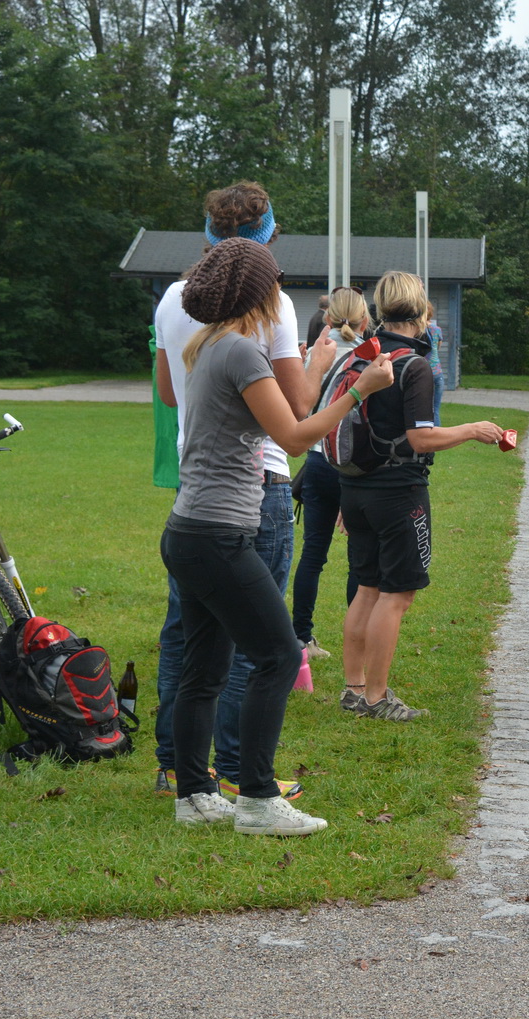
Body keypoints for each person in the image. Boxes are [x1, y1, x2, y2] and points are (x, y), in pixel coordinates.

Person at [165, 238, 395, 834]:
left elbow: (285, 412)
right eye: (277, 282)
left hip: (190, 529)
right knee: (277, 655)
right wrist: (359, 391)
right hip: (218, 535)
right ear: (259, 292)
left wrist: (317, 366)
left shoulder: (208, 344)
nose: (283, 291)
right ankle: (259, 801)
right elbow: (295, 438)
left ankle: (193, 794)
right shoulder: (240, 351)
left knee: (205, 667)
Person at [152, 181, 313, 803]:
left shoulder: (173, 297)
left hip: (192, 488)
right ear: (270, 235)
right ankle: (249, 775)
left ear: (208, 236)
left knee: (188, 638)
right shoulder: (269, 302)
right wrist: (325, 366)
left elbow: (170, 394)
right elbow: (296, 415)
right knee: (261, 643)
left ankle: (181, 771)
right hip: (256, 482)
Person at [340, 271, 505, 722]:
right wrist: (473, 430)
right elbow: (420, 439)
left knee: (367, 587)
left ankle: (353, 689)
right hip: (398, 492)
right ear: (419, 310)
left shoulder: (363, 356)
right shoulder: (414, 365)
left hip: (355, 487)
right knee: (397, 594)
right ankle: (377, 697)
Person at [292, 286, 369, 662]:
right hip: (350, 464)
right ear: (365, 319)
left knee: (313, 554)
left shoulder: (315, 355)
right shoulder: (370, 356)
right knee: (359, 557)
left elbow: (300, 408)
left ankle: (300, 637)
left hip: (317, 461)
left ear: (327, 318)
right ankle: (357, 643)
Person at [424, 300, 446, 423]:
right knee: (435, 409)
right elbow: (437, 347)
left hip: (423, 373)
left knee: (422, 409)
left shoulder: (417, 330)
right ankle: (437, 437)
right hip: (437, 372)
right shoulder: (437, 329)